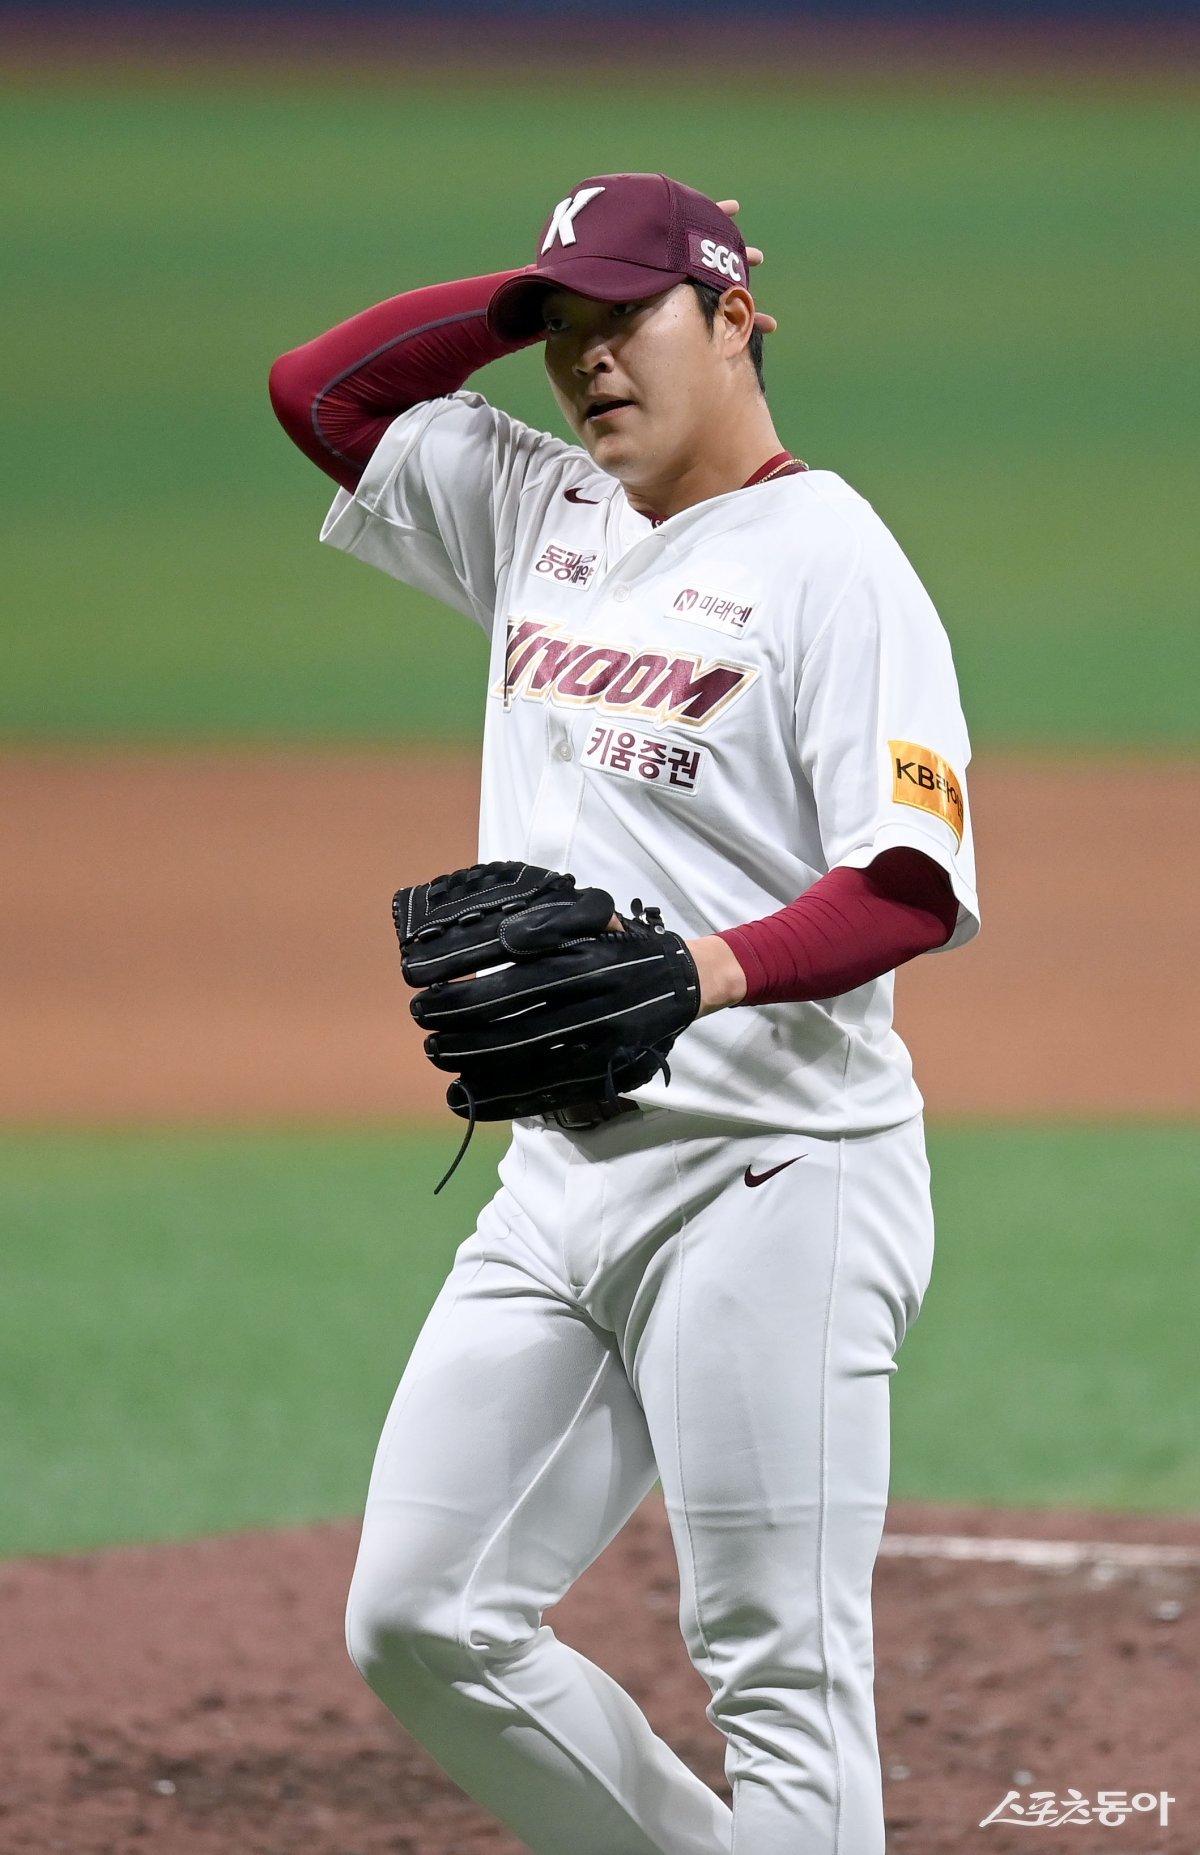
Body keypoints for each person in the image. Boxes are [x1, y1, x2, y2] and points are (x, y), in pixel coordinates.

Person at [269, 172, 980, 1855]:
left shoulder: (837, 564)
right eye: (562, 331)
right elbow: (323, 394)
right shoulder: (542, 507)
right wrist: (532, 288)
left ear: (736, 319)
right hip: (558, 1185)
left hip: (777, 1178)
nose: (586, 360)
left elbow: (907, 883)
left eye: (626, 318)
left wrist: (694, 972)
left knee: (781, 1681)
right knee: (423, 1619)